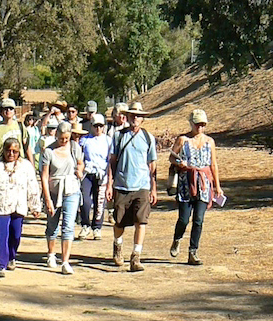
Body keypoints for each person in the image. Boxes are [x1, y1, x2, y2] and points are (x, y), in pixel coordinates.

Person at [0, 138, 41, 277]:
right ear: (3, 150)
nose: (11, 154)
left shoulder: (26, 166)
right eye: (8, 150)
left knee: (15, 234)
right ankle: (1, 264)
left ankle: (11, 256)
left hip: (18, 205)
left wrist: (35, 206)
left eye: (15, 151)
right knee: (1, 235)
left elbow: (32, 186)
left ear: (19, 152)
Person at [106, 104, 158, 272]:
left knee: (141, 221)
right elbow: (111, 161)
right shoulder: (118, 136)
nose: (135, 118)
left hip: (142, 186)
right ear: (127, 117)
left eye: (138, 116)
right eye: (132, 115)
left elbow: (152, 166)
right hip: (122, 184)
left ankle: (136, 256)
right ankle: (118, 246)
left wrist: (153, 188)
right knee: (119, 222)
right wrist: (109, 184)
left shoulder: (148, 138)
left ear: (142, 118)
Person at [169, 108, 223, 266]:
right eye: (197, 124)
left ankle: (193, 252)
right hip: (186, 184)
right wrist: (180, 163)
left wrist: (217, 187)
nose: (200, 127)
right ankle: (177, 239)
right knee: (184, 219)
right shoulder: (183, 140)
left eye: (202, 124)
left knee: (198, 220)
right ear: (191, 123)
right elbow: (172, 157)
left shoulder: (209, 142)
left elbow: (213, 164)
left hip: (204, 184)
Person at [40, 122, 84, 275]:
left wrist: (80, 170)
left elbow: (80, 163)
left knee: (68, 225)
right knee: (52, 224)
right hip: (54, 191)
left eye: (66, 138)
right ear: (56, 135)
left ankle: (65, 261)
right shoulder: (48, 152)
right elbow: (44, 176)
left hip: (71, 190)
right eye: (61, 138)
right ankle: (51, 254)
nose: (64, 141)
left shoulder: (75, 148)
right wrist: (47, 198)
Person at [78, 113, 112, 239]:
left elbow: (110, 159)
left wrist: (109, 177)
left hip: (102, 174)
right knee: (85, 200)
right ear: (91, 126)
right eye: (95, 126)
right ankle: (85, 225)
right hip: (88, 173)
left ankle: (97, 227)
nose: (98, 129)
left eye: (100, 126)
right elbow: (80, 157)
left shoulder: (108, 141)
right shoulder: (85, 140)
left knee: (100, 202)